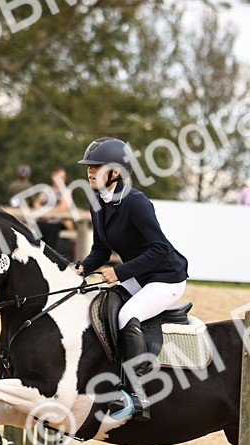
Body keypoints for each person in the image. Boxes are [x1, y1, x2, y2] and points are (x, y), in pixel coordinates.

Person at [76, 137, 188, 421]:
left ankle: (136, 394)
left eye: (97, 167)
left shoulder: (135, 202)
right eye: (89, 167)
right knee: (99, 306)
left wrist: (120, 272)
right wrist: (80, 268)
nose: (90, 171)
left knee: (127, 315)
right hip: (138, 278)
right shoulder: (98, 202)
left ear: (116, 171)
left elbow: (160, 248)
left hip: (166, 278)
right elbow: (101, 249)